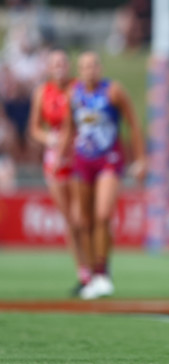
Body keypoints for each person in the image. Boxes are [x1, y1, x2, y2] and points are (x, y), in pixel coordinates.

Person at [58, 51, 147, 300]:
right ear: (79, 70)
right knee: (83, 221)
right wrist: (60, 155)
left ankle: (103, 271)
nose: (90, 70)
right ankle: (91, 275)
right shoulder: (73, 95)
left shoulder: (113, 91)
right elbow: (68, 128)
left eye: (94, 65)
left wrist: (140, 159)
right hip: (82, 161)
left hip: (109, 159)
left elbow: (133, 123)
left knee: (103, 214)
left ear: (100, 67)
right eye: (85, 66)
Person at [29, 49, 88, 294]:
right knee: (69, 220)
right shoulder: (43, 92)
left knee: (80, 216)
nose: (60, 67)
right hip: (55, 159)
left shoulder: (78, 88)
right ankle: (82, 271)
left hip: (78, 156)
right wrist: (48, 139)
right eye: (55, 64)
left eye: (63, 62)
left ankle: (96, 267)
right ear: (49, 68)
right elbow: (34, 128)